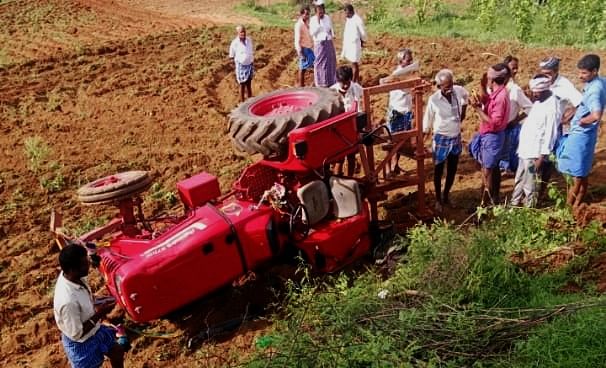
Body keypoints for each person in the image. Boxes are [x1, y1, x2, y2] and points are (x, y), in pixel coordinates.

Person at [54, 243, 125, 368]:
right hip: (81, 343)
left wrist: (97, 301)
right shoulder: (67, 301)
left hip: (95, 329)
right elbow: (77, 333)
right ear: (72, 269)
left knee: (117, 352)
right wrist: (101, 313)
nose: (88, 265)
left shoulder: (74, 276)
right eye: (84, 263)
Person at [556, 54, 606, 208]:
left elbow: (596, 115)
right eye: (580, 72)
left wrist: (581, 121)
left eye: (584, 73)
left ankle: (567, 208)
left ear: (595, 71)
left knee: (575, 174)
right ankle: (577, 205)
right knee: (581, 171)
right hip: (586, 136)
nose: (580, 76)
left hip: (581, 136)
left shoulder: (594, 90)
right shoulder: (600, 82)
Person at [511, 75, 561, 207]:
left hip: (535, 153)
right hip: (525, 150)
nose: (533, 94)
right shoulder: (539, 101)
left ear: (544, 89)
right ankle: (513, 205)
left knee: (530, 185)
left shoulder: (552, 107)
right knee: (519, 179)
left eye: (536, 91)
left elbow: (551, 134)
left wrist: (541, 156)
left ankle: (529, 210)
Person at [423, 69, 469, 212]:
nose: (449, 89)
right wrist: (423, 139)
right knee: (438, 170)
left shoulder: (459, 91)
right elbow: (427, 121)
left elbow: (466, 97)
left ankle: (446, 195)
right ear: (439, 86)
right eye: (446, 86)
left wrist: (464, 111)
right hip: (441, 137)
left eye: (451, 85)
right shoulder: (434, 100)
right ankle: (438, 199)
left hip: (455, 137)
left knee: (452, 169)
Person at [538, 56, 583, 195]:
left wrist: (570, 113)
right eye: (543, 73)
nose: (545, 77)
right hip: (538, 126)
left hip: (552, 127)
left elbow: (581, 103)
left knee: (546, 161)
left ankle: (541, 190)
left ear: (556, 70)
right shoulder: (540, 80)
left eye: (548, 74)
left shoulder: (564, 85)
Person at [469, 63, 511, 205]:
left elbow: (494, 123)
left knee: (487, 172)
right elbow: (488, 101)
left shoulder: (500, 98)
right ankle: (490, 200)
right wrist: (481, 88)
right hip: (490, 136)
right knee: (489, 169)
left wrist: (477, 109)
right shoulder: (498, 93)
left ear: (492, 81)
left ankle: (485, 205)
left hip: (492, 137)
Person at [382, 48, 419, 176]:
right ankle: (387, 169)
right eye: (407, 60)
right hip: (396, 112)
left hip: (406, 111)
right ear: (401, 61)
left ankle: (395, 165)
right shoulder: (397, 75)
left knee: (401, 141)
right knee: (390, 141)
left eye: (411, 60)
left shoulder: (408, 74)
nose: (410, 63)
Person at [499, 55, 533, 175]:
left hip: (509, 127)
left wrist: (515, 120)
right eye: (513, 68)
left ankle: (505, 168)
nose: (516, 71)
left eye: (516, 68)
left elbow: (530, 107)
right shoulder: (496, 86)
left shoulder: (515, 89)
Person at [331, 65, 363, 176]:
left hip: (352, 129)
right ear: (337, 80)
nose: (345, 85)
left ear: (350, 80)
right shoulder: (331, 92)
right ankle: (337, 180)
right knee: (338, 159)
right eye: (342, 82)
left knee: (351, 157)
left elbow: (362, 106)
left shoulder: (356, 89)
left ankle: (350, 178)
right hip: (337, 131)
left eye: (347, 82)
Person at [309, 0, 336, 87]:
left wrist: (332, 35)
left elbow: (330, 29)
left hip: (328, 43)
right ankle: (321, 83)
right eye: (318, 9)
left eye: (322, 9)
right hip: (319, 44)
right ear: (316, 10)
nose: (321, 11)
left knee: (330, 63)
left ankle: (331, 82)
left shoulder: (327, 17)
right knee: (320, 64)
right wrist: (318, 21)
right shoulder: (313, 20)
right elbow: (312, 33)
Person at [341, 4, 367, 83]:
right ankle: (357, 82)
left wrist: (362, 41)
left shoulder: (357, 20)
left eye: (346, 13)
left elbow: (363, 33)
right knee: (353, 64)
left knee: (354, 64)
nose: (345, 15)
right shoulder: (349, 19)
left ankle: (353, 82)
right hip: (350, 45)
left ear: (350, 11)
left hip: (355, 44)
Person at [229, 25, 254, 102]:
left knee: (249, 84)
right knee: (242, 85)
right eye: (241, 32)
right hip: (241, 66)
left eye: (244, 31)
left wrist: (252, 61)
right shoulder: (234, 43)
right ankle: (242, 102)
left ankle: (250, 101)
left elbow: (250, 51)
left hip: (249, 64)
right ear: (238, 33)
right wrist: (235, 66)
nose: (243, 33)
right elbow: (231, 56)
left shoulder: (249, 40)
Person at [294, 6, 315, 87]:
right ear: (301, 14)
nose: (307, 16)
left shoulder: (307, 23)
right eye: (305, 14)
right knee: (302, 68)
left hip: (309, 48)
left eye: (308, 14)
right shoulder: (299, 25)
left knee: (314, 65)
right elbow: (297, 40)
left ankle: (313, 84)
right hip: (303, 49)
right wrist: (300, 52)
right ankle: (301, 86)